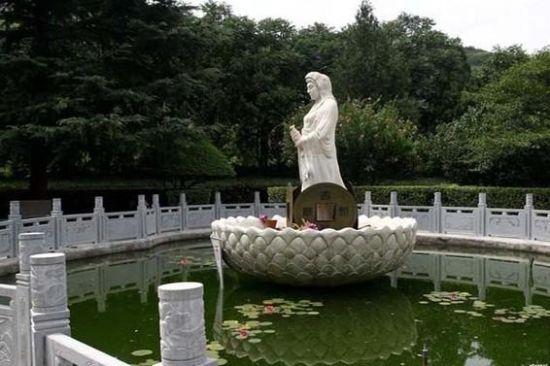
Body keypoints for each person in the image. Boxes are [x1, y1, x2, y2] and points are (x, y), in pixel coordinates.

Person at [290, 72, 346, 191]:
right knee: (311, 191)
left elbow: (321, 133)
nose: (308, 91)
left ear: (320, 86)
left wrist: (302, 140)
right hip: (310, 154)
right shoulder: (316, 106)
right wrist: (298, 137)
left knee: (322, 191)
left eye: (310, 87)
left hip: (321, 156)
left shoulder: (329, 105)